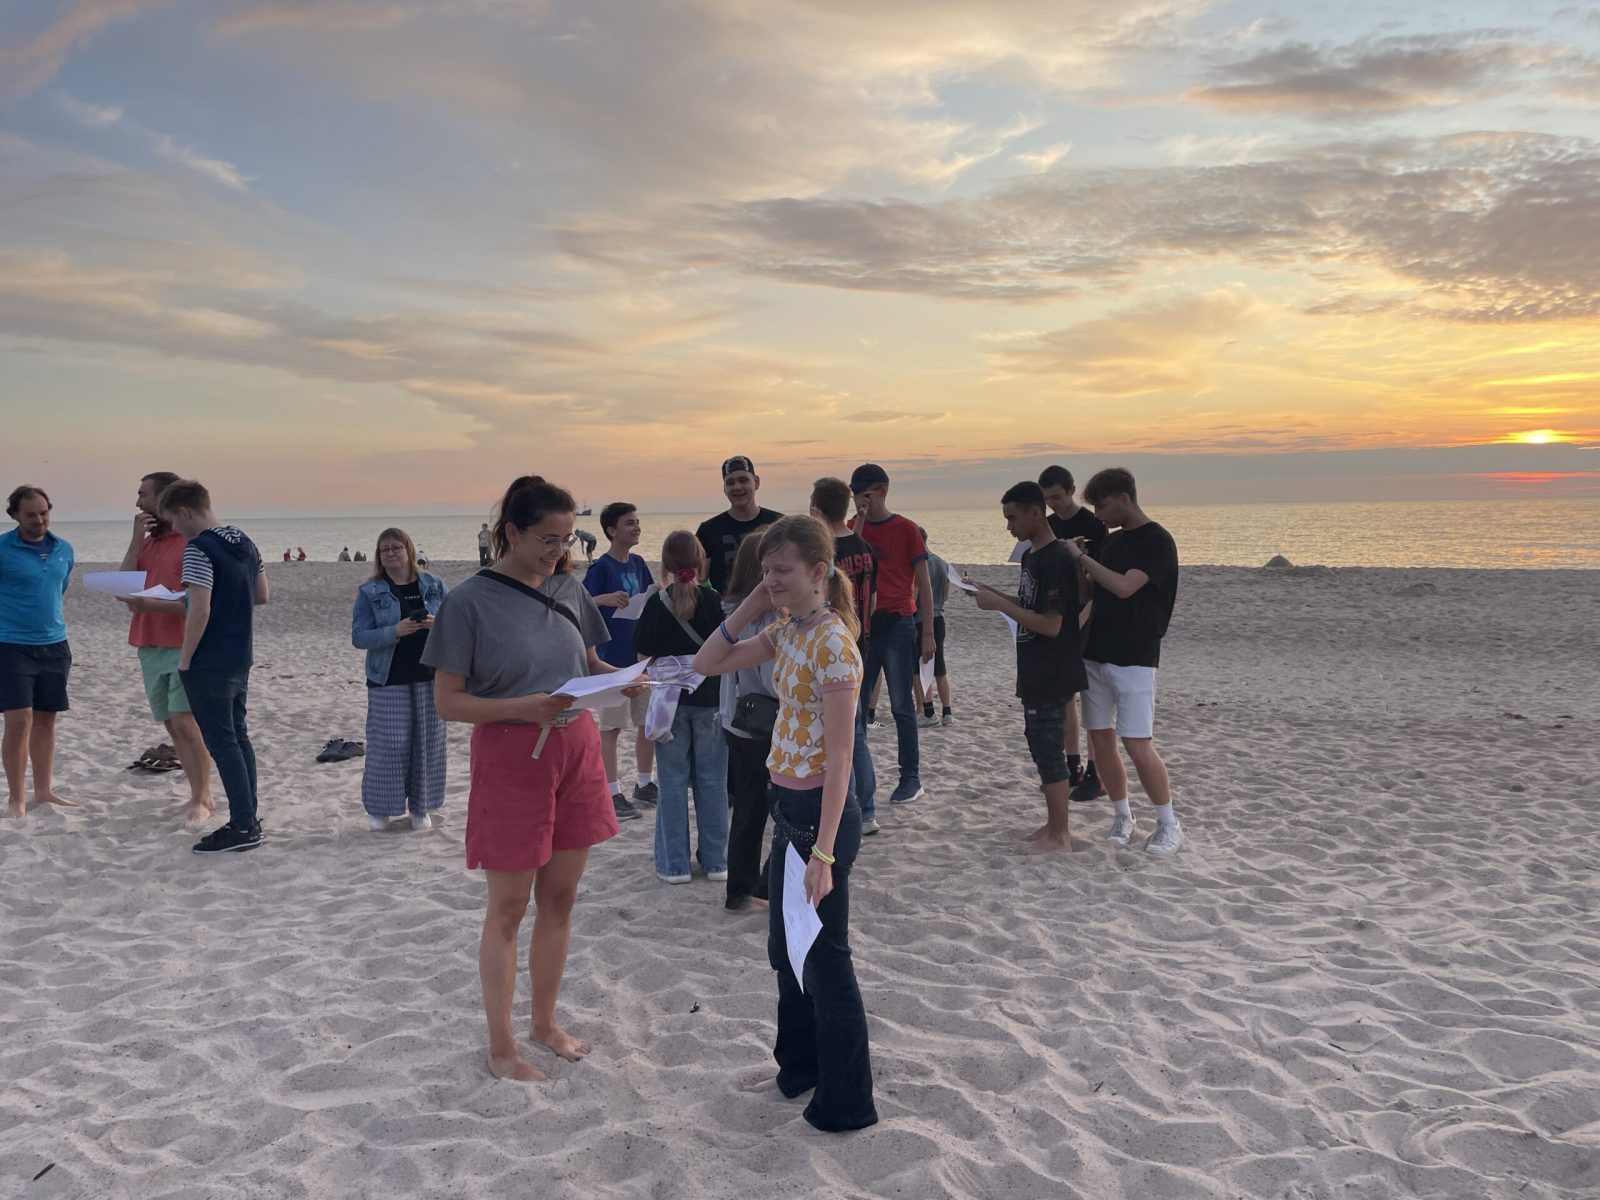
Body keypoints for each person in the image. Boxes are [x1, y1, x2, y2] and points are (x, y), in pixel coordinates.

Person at [423, 474, 634, 1082]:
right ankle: (502, 1047)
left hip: (577, 748)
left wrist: (629, 678)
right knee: (509, 906)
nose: (558, 551)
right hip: (512, 753)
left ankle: (545, 1024)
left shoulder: (568, 587)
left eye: (567, 539)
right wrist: (526, 706)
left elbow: (587, 662)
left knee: (560, 899)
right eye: (547, 539)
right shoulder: (469, 602)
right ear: (511, 532)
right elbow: (448, 703)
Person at [692, 514, 876, 1133]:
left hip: (820, 819)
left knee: (826, 962)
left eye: (782, 571)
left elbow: (842, 758)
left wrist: (823, 855)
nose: (771, 579)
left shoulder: (833, 645)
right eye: (765, 570)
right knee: (786, 953)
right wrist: (752, 601)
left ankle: (847, 1103)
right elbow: (707, 662)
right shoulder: (788, 629)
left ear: (818, 572)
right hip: (788, 810)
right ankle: (798, 1069)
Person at [1064, 467, 1182, 857]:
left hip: (1135, 655)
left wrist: (1084, 557)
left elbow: (1124, 587)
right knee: (1100, 737)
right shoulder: (1111, 542)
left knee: (1136, 742)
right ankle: (1122, 815)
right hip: (1096, 651)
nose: (1098, 515)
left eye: (1102, 506)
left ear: (1124, 498)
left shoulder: (1157, 540)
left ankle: (1168, 823)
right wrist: (1079, 564)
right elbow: (1092, 593)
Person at [967, 483, 1087, 852]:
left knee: (1049, 749)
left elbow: (1051, 624)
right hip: (1034, 668)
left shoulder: (1055, 558)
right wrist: (989, 592)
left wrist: (999, 606)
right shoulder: (1031, 557)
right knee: (1038, 745)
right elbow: (1028, 604)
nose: (1009, 526)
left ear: (1036, 513)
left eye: (1013, 518)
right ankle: (1053, 825)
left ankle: (1060, 835)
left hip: (1053, 669)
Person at [161, 480, 269, 854]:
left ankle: (243, 825)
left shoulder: (199, 548)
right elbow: (262, 594)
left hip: (210, 658)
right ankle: (248, 817)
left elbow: (200, 609)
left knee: (223, 742)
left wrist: (186, 658)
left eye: (174, 521)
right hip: (240, 653)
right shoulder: (245, 542)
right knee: (238, 736)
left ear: (185, 511)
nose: (175, 529)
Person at [116, 470, 214, 825]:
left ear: (164, 498)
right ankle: (195, 793)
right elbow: (123, 586)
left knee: (186, 723)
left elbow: (200, 601)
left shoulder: (192, 541)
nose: (138, 502)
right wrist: (135, 539)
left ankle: (203, 797)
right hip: (149, 642)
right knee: (172, 725)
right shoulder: (149, 542)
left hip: (184, 643)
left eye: (143, 495)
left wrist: (154, 603)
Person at [634, 531, 728, 885]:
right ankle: (717, 861)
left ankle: (675, 865)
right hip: (710, 697)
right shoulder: (714, 600)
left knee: (672, 783)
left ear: (667, 565)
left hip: (669, 702)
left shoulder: (656, 603)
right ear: (700, 561)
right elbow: (727, 648)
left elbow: (642, 656)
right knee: (713, 781)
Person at [352, 528, 449, 832]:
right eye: (385, 550)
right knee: (389, 743)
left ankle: (421, 808)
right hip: (388, 676)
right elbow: (359, 637)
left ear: (409, 550)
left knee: (428, 742)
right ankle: (382, 810)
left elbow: (458, 623)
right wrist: (394, 631)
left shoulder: (434, 584)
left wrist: (436, 623)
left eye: (396, 547)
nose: (391, 553)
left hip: (429, 674)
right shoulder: (370, 591)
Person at [848, 463, 934, 807]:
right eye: (856, 494)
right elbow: (847, 557)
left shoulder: (907, 529)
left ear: (882, 491)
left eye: (866, 493)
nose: (860, 500)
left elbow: (924, 582)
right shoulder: (852, 528)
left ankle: (910, 778)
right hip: (863, 626)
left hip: (899, 621)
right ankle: (859, 781)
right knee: (857, 707)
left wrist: (928, 633)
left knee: (901, 704)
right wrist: (860, 523)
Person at [1, 485, 77, 819]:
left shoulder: (64, 549)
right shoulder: (2, 549)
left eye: (44, 512)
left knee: (46, 719)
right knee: (19, 720)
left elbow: (59, 588)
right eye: (30, 514)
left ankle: (44, 792)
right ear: (14, 515)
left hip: (55, 645)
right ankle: (16, 799)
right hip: (10, 645)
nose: (39, 520)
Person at [809, 476, 879, 835]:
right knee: (857, 733)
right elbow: (874, 601)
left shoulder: (823, 554)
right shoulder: (865, 547)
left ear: (816, 510)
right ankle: (867, 810)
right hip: (859, 644)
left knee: (839, 740)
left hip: (832, 647)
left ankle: (850, 810)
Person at [583, 502, 657, 823]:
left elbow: (649, 597)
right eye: (629, 523)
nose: (636, 527)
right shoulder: (601, 568)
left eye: (637, 521)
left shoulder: (638, 563)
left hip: (640, 656)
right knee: (612, 727)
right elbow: (579, 603)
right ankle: (611, 792)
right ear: (612, 530)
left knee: (646, 724)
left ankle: (644, 783)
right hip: (610, 659)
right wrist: (604, 599)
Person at [1039, 464, 1110, 800]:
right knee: (1066, 695)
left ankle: (1097, 771)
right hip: (1060, 614)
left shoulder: (1094, 524)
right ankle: (1072, 766)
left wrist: (1085, 614)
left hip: (1090, 615)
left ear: (1070, 491)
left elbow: (1101, 578)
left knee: (1093, 695)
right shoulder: (1049, 526)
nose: (1053, 504)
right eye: (1047, 499)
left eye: (1056, 497)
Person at [718, 530, 778, 910]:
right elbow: (772, 680)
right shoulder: (768, 618)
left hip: (734, 720)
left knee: (747, 808)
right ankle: (764, 887)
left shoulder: (732, 611)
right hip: (765, 723)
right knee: (783, 809)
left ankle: (738, 889)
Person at [695, 455, 782, 594]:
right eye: (730, 483)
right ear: (724, 489)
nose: (737, 487)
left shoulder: (779, 524)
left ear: (756, 482)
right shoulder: (708, 530)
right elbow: (698, 579)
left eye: (743, 480)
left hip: (774, 604)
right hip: (725, 606)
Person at [916, 526, 954, 728]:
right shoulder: (942, 563)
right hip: (940, 616)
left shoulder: (921, 564)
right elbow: (946, 595)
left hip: (922, 618)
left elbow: (916, 594)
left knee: (921, 667)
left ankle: (928, 710)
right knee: (940, 667)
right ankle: (947, 712)